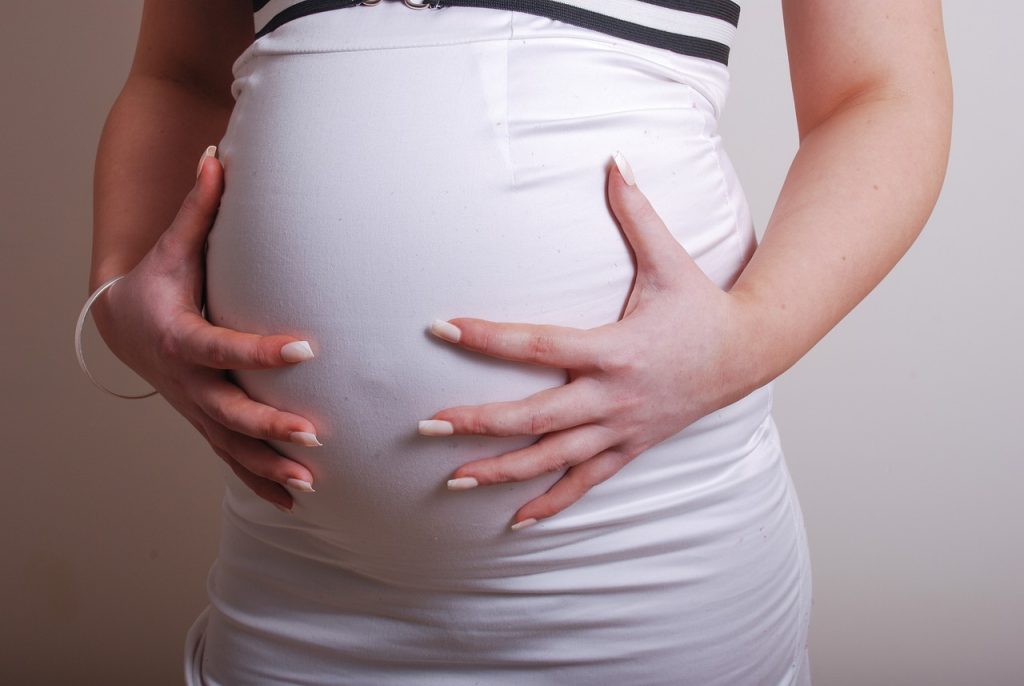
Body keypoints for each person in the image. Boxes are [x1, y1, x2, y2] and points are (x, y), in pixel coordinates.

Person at [84, 0, 951, 683]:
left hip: (644, 557)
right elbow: (182, 72)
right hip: (299, 572)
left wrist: (750, 338)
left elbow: (879, 91)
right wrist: (120, 290)